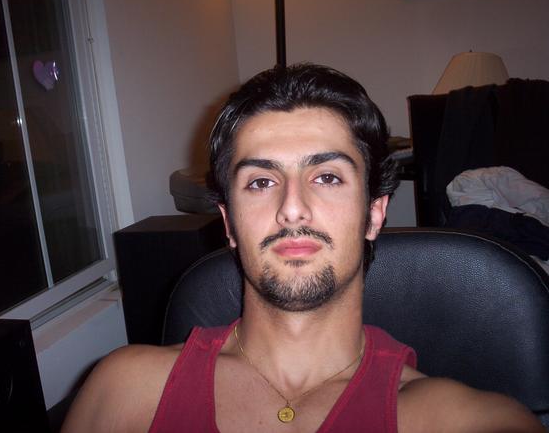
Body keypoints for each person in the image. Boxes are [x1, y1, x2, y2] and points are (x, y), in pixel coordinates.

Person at [62, 64, 543, 432]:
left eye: (327, 177)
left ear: (374, 214)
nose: (292, 209)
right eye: (261, 181)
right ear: (229, 223)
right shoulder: (126, 393)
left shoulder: (461, 421)